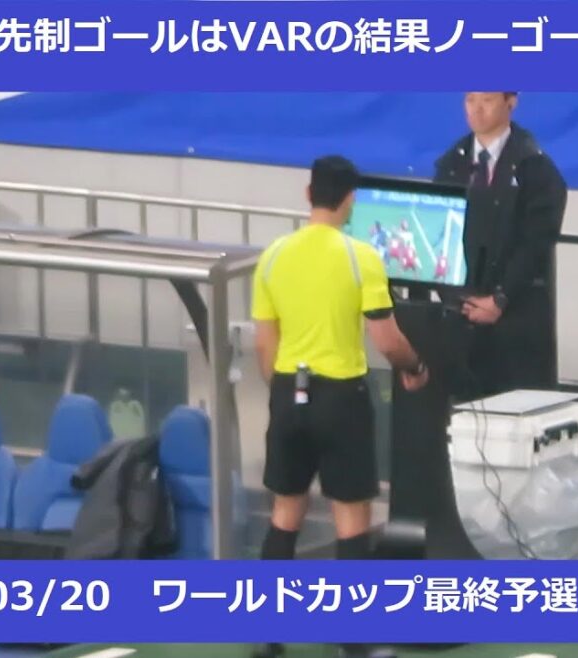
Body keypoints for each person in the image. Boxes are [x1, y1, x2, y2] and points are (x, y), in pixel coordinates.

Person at [250, 156, 428, 658]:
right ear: (349, 200)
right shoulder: (360, 257)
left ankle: (268, 637)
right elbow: (386, 338)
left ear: (308, 195)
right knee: (352, 518)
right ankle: (355, 639)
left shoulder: (273, 257)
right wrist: (414, 366)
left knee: (285, 513)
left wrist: (283, 393)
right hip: (341, 398)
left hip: (288, 390)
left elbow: (266, 344)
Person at [434, 91, 568, 398]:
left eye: (487, 100)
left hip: (517, 319)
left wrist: (501, 298)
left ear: (511, 102)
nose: (477, 110)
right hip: (462, 318)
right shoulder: (451, 164)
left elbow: (537, 241)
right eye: (470, 100)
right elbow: (442, 236)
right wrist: (458, 298)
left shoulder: (533, 166)